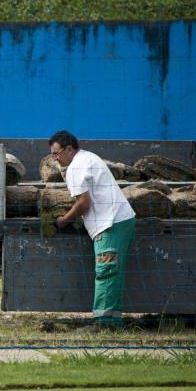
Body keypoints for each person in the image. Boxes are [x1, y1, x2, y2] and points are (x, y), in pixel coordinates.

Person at [50, 130, 136, 329]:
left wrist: (64, 219)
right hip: (116, 219)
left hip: (110, 222)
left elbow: (83, 203)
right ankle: (109, 318)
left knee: (106, 270)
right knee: (111, 271)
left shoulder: (76, 168)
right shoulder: (88, 157)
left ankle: (105, 322)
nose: (55, 159)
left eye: (57, 153)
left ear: (69, 149)